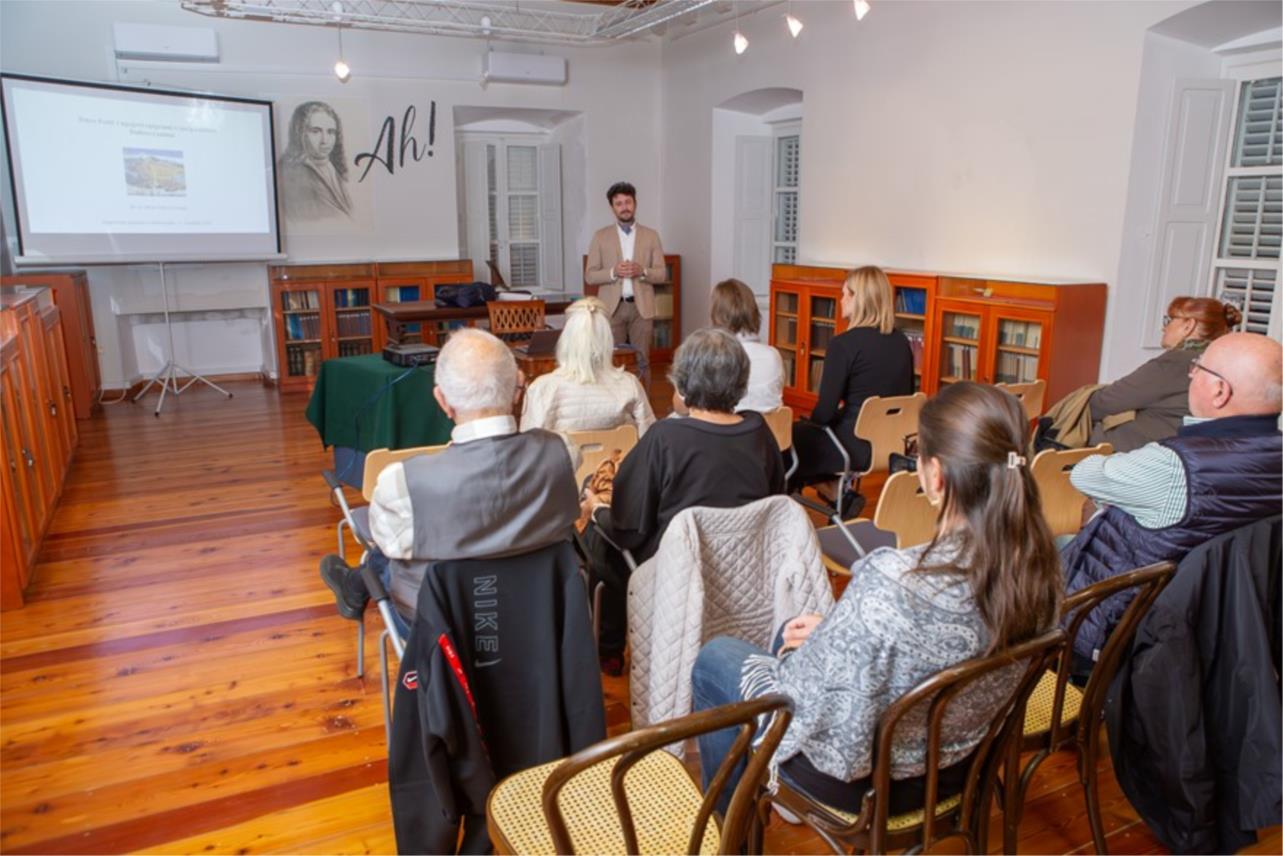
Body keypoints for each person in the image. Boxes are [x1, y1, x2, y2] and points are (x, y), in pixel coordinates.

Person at [691, 382, 1062, 816]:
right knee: (792, 634)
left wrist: (818, 646)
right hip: (961, 762)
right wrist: (836, 633)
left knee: (719, 657)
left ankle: (730, 827)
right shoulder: (1041, 569)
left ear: (936, 476)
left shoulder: (893, 582)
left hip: (863, 782)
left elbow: (813, 703)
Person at [319, 328, 580, 630]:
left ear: (442, 400)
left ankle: (354, 585)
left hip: (439, 628)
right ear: (518, 386)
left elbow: (387, 544)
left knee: (398, 547)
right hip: (537, 618)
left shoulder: (403, 482)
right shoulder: (564, 452)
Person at [1061, 331, 1282, 665]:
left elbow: (1084, 474)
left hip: (1115, 629)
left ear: (1219, 390)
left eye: (1198, 368)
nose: (1191, 374)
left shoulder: (1173, 467)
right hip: (1219, 627)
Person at [582, 328, 786, 674]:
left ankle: (609, 649)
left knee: (596, 538)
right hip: (744, 569)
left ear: (685, 386)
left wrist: (596, 508)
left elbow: (627, 527)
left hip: (674, 573)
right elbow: (776, 503)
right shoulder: (760, 431)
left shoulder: (665, 438)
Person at [1050, 297, 1242, 453]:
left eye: (1169, 320)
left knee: (1067, 429)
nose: (1164, 328)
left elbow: (1105, 402)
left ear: (1188, 326)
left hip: (1148, 452)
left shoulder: (1176, 362)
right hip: (1189, 449)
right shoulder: (1220, 361)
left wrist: (1080, 398)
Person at [790, 265, 913, 491]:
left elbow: (824, 414)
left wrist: (810, 421)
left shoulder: (843, 345)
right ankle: (835, 491)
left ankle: (826, 494)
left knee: (788, 443)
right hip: (892, 444)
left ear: (860, 299)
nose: (841, 300)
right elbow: (904, 396)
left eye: (845, 294)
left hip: (853, 446)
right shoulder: (902, 343)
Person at [519, 297, 656, 437]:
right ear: (608, 341)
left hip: (564, 459)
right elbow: (649, 437)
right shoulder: (630, 384)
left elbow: (528, 447)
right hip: (618, 458)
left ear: (565, 339)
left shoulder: (542, 388)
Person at [584, 181, 668, 386]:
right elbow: (590, 276)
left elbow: (662, 274)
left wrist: (643, 271)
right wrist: (613, 272)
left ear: (635, 203)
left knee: (642, 362)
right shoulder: (600, 236)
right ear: (612, 208)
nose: (624, 207)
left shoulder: (651, 235)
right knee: (610, 362)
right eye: (619, 203)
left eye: (627, 202)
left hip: (642, 309)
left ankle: (644, 413)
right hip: (612, 309)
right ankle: (614, 412)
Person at [709, 278, 784, 413]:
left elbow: (685, 405)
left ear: (717, 316)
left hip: (726, 431)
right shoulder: (773, 355)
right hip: (766, 432)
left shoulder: (712, 357)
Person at [278, 101, 353, 220]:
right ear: (301, 133)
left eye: (331, 132)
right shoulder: (290, 174)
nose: (325, 140)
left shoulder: (333, 168)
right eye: (316, 131)